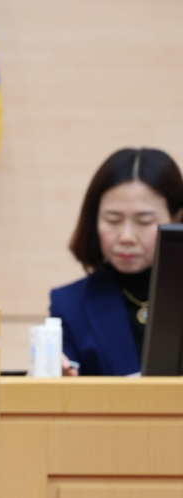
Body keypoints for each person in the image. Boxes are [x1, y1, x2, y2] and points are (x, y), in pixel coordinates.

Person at [50, 147, 183, 376]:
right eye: (113, 220)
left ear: (176, 219)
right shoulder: (69, 305)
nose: (126, 237)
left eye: (144, 221)